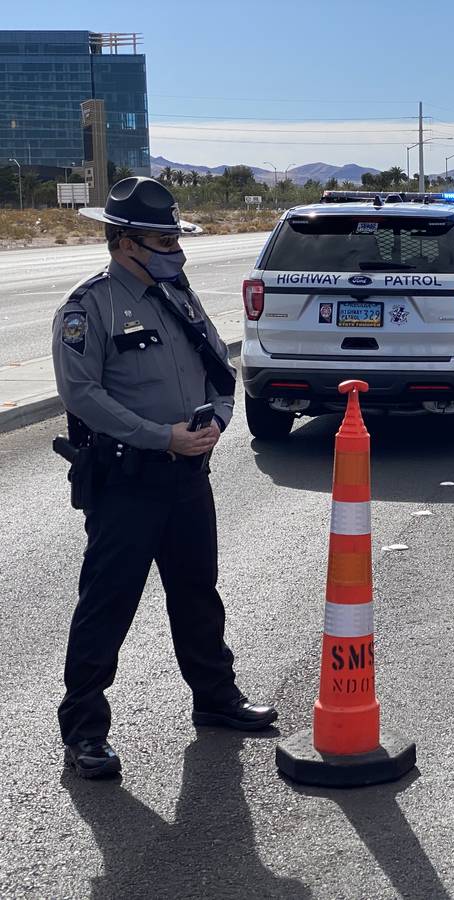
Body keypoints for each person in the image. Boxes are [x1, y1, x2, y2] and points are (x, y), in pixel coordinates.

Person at [52, 177, 277, 780]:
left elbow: (214, 361)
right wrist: (161, 437)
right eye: (161, 238)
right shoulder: (88, 307)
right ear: (124, 242)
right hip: (127, 482)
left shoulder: (176, 293)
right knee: (107, 605)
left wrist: (218, 418)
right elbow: (82, 395)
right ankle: (84, 732)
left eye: (175, 236)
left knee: (198, 592)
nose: (174, 248)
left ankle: (215, 698)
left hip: (187, 475)